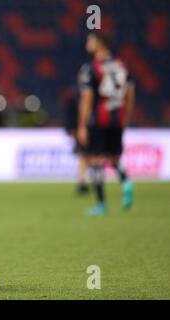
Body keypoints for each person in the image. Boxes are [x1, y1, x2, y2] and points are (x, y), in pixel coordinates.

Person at [77, 31, 135, 216]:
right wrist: (125, 118)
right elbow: (130, 93)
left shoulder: (91, 68)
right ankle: (126, 181)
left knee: (94, 159)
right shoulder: (121, 65)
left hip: (99, 120)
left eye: (90, 40)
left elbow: (87, 97)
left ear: (99, 44)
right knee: (113, 158)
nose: (88, 43)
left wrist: (82, 125)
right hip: (117, 118)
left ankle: (101, 204)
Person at [62, 86, 89, 194]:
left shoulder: (77, 97)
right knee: (83, 157)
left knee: (85, 157)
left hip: (84, 131)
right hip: (83, 131)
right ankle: (83, 181)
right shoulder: (76, 97)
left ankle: (83, 181)